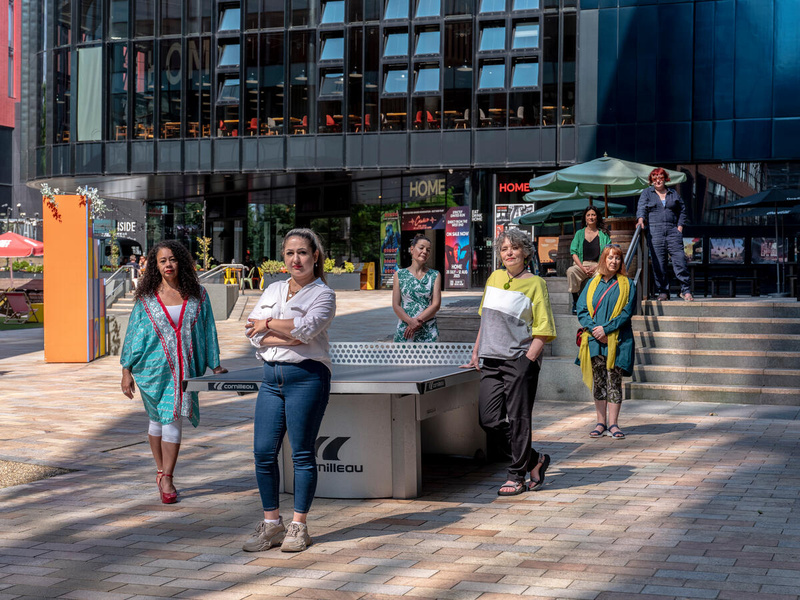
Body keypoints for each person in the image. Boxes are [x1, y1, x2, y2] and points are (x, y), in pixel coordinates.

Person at [242, 228, 336, 553]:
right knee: (263, 453)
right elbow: (251, 332)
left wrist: (267, 324)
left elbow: (307, 331)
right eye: (290, 253)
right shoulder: (273, 289)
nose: (296, 259)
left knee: (301, 454)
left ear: (315, 256)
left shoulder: (324, 295)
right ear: (283, 258)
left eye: (302, 253)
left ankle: (299, 526)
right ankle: (271, 525)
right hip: (271, 379)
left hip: (307, 377)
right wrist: (283, 331)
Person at [120, 241, 227, 504]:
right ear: (155, 266)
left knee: (174, 417)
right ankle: (161, 471)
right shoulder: (146, 300)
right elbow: (134, 335)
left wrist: (214, 363)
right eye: (162, 261)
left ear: (181, 261)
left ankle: (167, 476)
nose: (168, 265)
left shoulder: (198, 295)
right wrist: (126, 370)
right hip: (151, 369)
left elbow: (208, 330)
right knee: (157, 420)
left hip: (184, 370)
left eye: (172, 259)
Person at [462, 229, 557, 495]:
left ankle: (516, 476)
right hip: (490, 360)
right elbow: (486, 318)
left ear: (525, 252)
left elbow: (543, 329)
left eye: (514, 248)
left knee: (518, 419)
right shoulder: (493, 278)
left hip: (519, 360)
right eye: (504, 249)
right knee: (489, 420)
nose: (509, 253)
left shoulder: (536, 283)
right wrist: (476, 350)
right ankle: (534, 459)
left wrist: (527, 360)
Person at [576, 244, 636, 439]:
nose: (613, 261)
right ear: (603, 260)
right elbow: (582, 309)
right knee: (599, 380)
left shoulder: (628, 284)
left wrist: (606, 329)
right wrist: (594, 328)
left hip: (617, 340)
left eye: (617, 258)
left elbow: (627, 313)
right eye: (610, 257)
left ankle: (614, 424)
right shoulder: (591, 283)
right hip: (594, 340)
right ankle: (600, 422)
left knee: (614, 381)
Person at [636, 168, 693, 301]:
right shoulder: (647, 193)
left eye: (660, 177)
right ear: (651, 181)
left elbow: (682, 211)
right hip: (655, 231)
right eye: (655, 178)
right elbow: (641, 208)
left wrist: (679, 228)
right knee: (659, 263)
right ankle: (663, 291)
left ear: (665, 179)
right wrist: (640, 220)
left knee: (680, 260)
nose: (658, 181)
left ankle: (685, 290)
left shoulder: (673, 193)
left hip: (672, 231)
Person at [392, 234, 441, 342]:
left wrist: (417, 321)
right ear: (412, 249)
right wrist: (410, 321)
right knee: (403, 359)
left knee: (429, 359)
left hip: (428, 331)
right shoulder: (399, 274)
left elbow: (436, 305)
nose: (424, 251)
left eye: (428, 250)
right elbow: (396, 305)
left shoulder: (435, 275)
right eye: (421, 247)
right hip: (405, 331)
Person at [566, 207, 612, 314]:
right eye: (588, 215)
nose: (591, 217)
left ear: (597, 217)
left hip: (598, 265)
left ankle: (597, 303)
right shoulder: (579, 233)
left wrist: (596, 266)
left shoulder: (603, 234)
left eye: (593, 215)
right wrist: (582, 267)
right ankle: (575, 301)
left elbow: (607, 253)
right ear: (585, 218)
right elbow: (573, 252)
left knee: (602, 274)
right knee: (571, 271)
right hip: (582, 264)